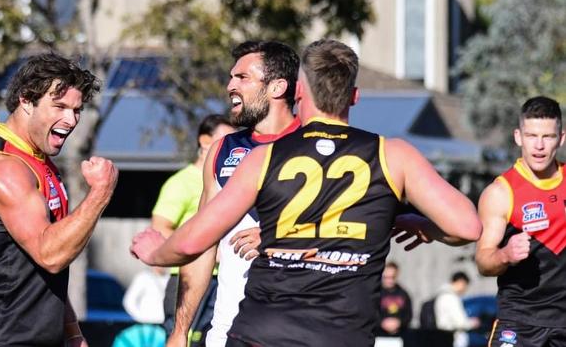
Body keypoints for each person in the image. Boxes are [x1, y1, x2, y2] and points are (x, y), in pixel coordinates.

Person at [131, 39, 481, 346]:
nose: (230, 85)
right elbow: (468, 227)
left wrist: (156, 252)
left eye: (241, 77)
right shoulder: (391, 155)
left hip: (262, 330)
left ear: (296, 90)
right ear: (355, 97)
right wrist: (413, 222)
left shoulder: (264, 158)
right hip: (340, 333)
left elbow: (195, 239)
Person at [0, 53, 117, 347]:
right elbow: (50, 255)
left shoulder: (40, 163)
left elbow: (48, 273)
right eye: (60, 106)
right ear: (26, 101)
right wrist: (100, 193)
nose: (71, 119)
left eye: (77, 110)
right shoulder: (5, 168)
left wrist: (73, 333)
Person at [167, 40, 300, 347]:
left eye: (242, 78)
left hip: (296, 329)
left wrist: (279, 235)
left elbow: (349, 230)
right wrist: (180, 329)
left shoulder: (315, 147)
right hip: (228, 330)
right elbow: (202, 244)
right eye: (231, 77)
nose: (230, 86)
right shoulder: (222, 150)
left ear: (278, 87)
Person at [475, 96, 566, 346]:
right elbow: (483, 261)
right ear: (518, 137)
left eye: (547, 137)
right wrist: (505, 254)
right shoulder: (501, 193)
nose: (539, 146)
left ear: (561, 138)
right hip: (520, 321)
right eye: (531, 136)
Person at [150, 114, 234, 342]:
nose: (232, 145)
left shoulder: (231, 180)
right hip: (187, 281)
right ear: (205, 141)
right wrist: (202, 249)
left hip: (224, 280)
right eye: (226, 138)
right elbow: (159, 229)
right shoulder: (181, 182)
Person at [434, 271, 479, 347]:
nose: (465, 289)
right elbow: (460, 323)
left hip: (443, 337)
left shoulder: (441, 295)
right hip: (454, 339)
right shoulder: (451, 298)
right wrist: (473, 323)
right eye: (465, 285)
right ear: (461, 282)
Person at [377, 262, 412, 338]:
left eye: (392, 277)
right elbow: (370, 313)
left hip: (399, 335)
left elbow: (408, 315)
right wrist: (381, 323)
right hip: (378, 334)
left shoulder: (404, 294)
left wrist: (399, 323)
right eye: (386, 277)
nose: (389, 280)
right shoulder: (376, 293)